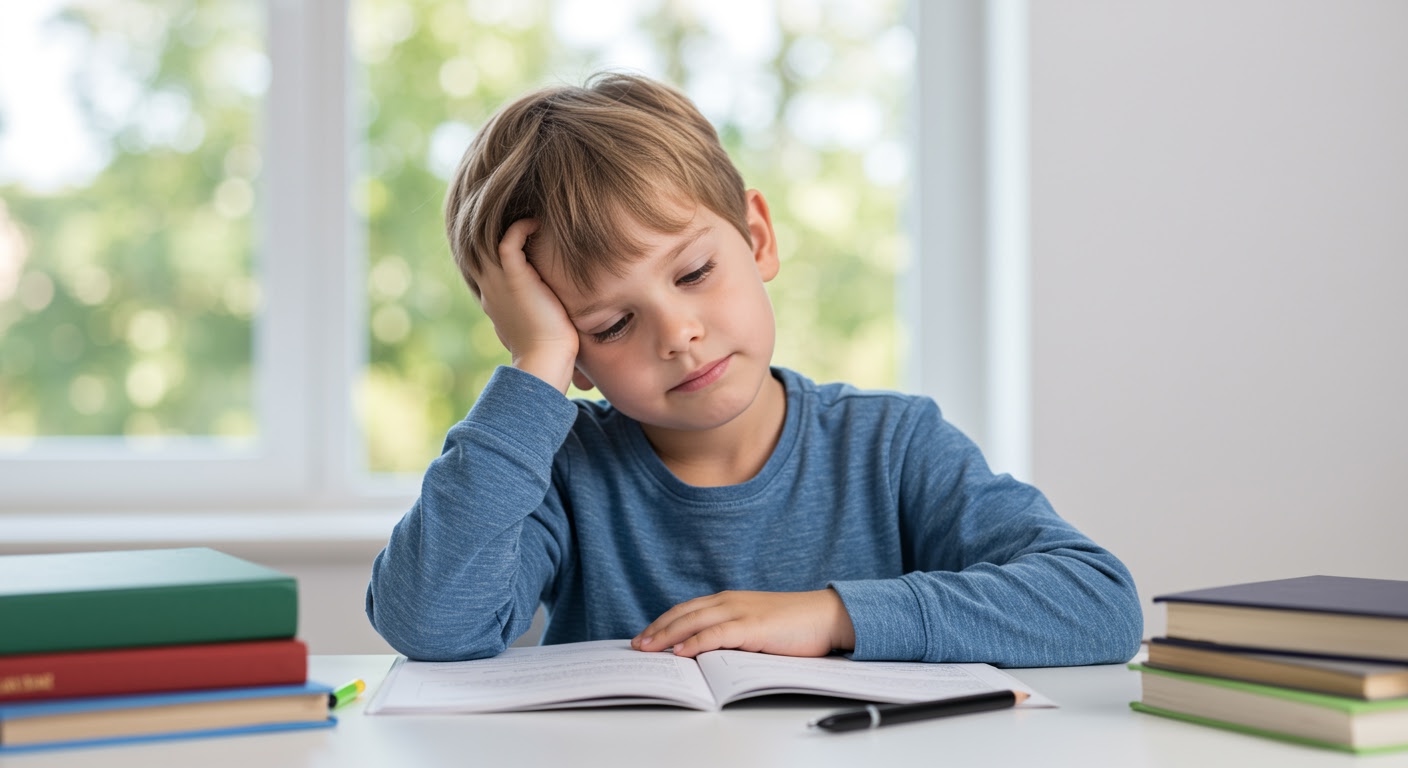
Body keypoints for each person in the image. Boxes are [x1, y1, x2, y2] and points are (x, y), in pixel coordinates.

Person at [365, 72, 1143, 665]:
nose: (678, 334)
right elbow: (429, 623)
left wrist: (830, 615)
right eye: (611, 324)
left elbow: (1099, 604)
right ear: (577, 357)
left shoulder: (892, 445)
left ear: (758, 236)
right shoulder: (562, 473)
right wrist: (533, 367)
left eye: (695, 273)